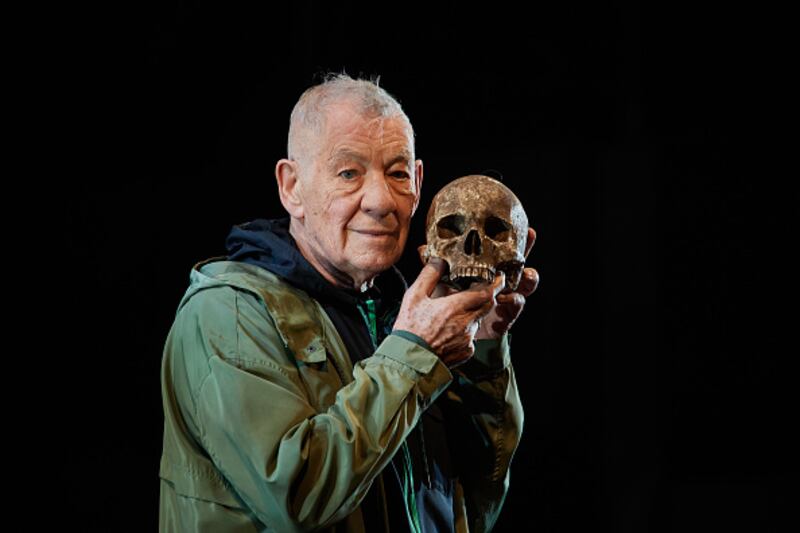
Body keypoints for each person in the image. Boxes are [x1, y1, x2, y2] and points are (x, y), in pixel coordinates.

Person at [158, 73, 539, 532]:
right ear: (292, 187)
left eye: (397, 174)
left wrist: (483, 350)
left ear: (418, 184)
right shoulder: (227, 315)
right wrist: (415, 354)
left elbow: (475, 502)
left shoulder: (400, 316)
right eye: (348, 173)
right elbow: (297, 496)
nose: (380, 201)